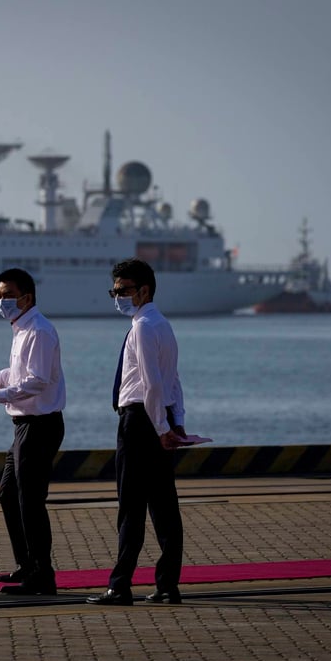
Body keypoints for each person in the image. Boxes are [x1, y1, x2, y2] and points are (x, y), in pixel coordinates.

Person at [87, 258, 187, 606]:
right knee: (164, 504)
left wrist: (161, 427)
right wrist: (177, 421)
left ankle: (120, 586)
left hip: (139, 420)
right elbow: (173, 381)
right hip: (159, 419)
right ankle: (167, 585)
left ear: (144, 290)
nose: (118, 297)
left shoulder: (143, 327)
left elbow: (152, 383)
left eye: (124, 290)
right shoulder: (164, 325)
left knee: (130, 505)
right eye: (114, 291)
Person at [0, 268, 66, 596]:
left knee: (30, 500)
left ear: (27, 298)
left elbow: (38, 381)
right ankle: (27, 563)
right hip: (24, 426)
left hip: (39, 426)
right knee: (9, 493)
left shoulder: (38, 330)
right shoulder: (22, 328)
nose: (1, 302)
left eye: (7, 296)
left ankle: (43, 574)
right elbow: (19, 372)